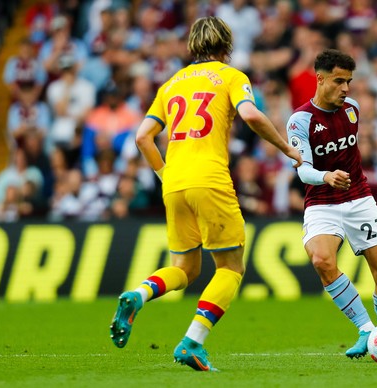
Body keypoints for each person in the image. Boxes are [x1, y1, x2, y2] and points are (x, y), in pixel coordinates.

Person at [109, 16, 302, 372]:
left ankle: (138, 294)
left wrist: (165, 175)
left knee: (185, 267)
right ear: (226, 47)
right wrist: (286, 148)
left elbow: (142, 137)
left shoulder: (171, 84)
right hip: (210, 178)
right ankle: (191, 343)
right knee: (230, 267)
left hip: (174, 183)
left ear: (192, 47)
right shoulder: (232, 76)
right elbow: (251, 115)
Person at [286, 49, 377, 361]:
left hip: (358, 198)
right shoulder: (300, 120)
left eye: (349, 81)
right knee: (322, 260)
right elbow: (303, 169)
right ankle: (366, 329)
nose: (346, 88)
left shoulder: (352, 109)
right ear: (321, 79)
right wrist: (326, 176)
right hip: (322, 201)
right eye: (339, 81)